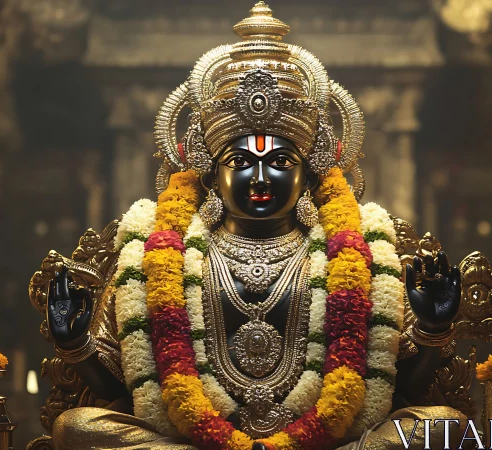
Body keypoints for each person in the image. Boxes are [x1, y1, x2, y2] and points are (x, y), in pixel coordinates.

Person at [42, 3, 468, 449]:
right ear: (210, 171)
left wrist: (431, 330)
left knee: (441, 425)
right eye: (241, 162)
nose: (261, 178)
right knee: (76, 428)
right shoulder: (155, 251)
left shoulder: (358, 253)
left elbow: (398, 386)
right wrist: (76, 345)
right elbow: (122, 386)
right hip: (196, 442)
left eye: (280, 162)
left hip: (328, 442)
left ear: (311, 171)